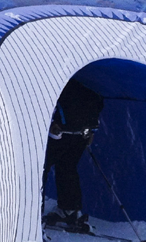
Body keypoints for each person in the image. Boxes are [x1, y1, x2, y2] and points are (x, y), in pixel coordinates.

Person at [42, 78, 105, 233]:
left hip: (60, 133)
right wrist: (92, 130)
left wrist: (52, 124)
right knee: (67, 167)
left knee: (41, 169)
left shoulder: (51, 80)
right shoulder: (84, 84)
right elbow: (97, 103)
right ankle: (70, 210)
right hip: (81, 134)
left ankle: (32, 214)